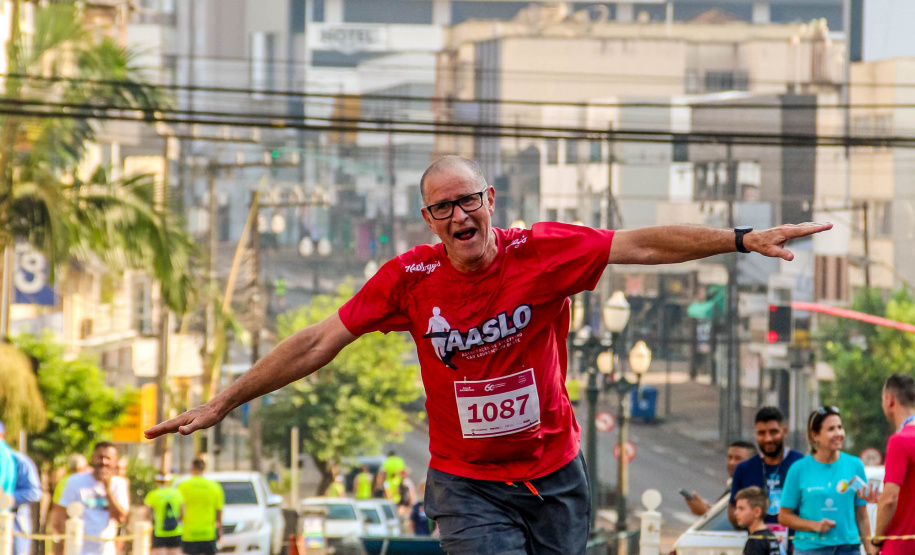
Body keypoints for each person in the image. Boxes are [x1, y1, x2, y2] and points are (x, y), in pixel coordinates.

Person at [146, 156, 832, 554]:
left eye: (467, 200)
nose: (458, 216)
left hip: (555, 474)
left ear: (489, 201)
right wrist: (227, 398)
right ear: (430, 221)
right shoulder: (409, 281)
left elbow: (641, 245)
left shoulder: (541, 252)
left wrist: (741, 238)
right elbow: (317, 341)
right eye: (442, 208)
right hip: (466, 484)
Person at [778, 407, 876, 555]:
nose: (838, 433)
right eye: (831, 429)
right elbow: (784, 516)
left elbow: (861, 515)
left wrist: (870, 550)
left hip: (848, 549)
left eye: (840, 427)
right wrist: (814, 525)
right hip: (810, 549)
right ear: (815, 435)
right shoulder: (798, 469)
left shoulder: (854, 465)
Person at [729, 407, 805, 528]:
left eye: (773, 432)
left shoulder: (801, 464)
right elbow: (732, 509)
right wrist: (747, 514)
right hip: (757, 544)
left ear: (784, 431)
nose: (768, 438)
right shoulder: (744, 469)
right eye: (762, 433)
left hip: (796, 544)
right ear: (756, 434)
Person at [55, 442, 130, 555]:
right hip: (77, 549)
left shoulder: (119, 484)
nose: (103, 462)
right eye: (100, 457)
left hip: (105, 550)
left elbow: (120, 517)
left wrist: (108, 490)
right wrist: (60, 549)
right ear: (92, 458)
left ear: (115, 462)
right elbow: (61, 516)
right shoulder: (74, 481)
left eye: (108, 458)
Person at [873, 374, 915, 555]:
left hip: (902, 546)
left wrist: (876, 539)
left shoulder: (900, 440)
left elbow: (889, 499)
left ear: (890, 401)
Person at [0, 423, 42, 555]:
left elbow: (34, 493)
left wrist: (7, 499)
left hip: (14, 521)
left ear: (3, 436)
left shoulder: (18, 460)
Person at [685, 440, 755, 516]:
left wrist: (705, 512)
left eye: (738, 458)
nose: (732, 462)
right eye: (729, 457)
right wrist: (709, 508)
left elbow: (735, 523)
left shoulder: (752, 492)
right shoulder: (733, 488)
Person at [177, 458, 224, 555]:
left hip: (189, 533)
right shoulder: (215, 486)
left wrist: (180, 520)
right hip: (208, 533)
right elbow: (219, 511)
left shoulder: (183, 486)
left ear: (192, 468)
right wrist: (219, 530)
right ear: (204, 469)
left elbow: (179, 508)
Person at [144, 474, 184, 555]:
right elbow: (183, 513)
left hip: (159, 531)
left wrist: (151, 524)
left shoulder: (153, 494)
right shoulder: (177, 493)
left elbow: (147, 514)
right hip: (176, 531)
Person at [735, 487, 781, 555]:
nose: (736, 512)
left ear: (757, 512)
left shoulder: (755, 541)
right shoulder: (771, 536)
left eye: (741, 509)